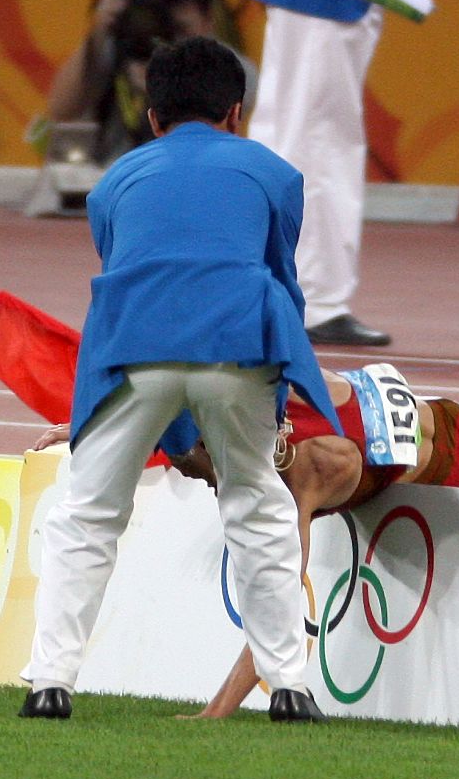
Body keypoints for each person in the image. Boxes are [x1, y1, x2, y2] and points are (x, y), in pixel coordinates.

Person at [18, 36, 347, 724]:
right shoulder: (277, 175)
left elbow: (134, 259)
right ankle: (290, 688)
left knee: (85, 515)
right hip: (238, 343)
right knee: (258, 508)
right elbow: (282, 282)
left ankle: (49, 684)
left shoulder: (113, 182)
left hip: (132, 345)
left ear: (153, 117)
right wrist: (278, 393)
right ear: (236, 112)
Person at [30, 362, 459, 719]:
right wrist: (91, 430)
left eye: (197, 475)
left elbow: (279, 610)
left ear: (209, 446)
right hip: (444, 415)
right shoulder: (272, 395)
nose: (206, 486)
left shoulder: (311, 471)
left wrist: (216, 712)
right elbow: (183, 397)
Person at [243, 0, 391, 346]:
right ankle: (312, 300)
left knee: (295, 131)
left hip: (316, 3)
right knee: (319, 141)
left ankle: (276, 289)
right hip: (327, 2)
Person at [46, 0, 256, 165]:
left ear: (207, 20)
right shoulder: (119, 48)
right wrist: (98, 33)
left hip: (188, 179)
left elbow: (205, 129)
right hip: (109, 176)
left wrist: (163, 86)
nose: (164, 37)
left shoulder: (233, 67)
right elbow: (61, 111)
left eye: (179, 29)